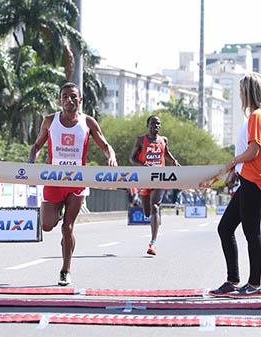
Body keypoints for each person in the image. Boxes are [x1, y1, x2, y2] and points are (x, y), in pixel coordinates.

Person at [29, 82, 118, 286]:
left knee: (68, 228)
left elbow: (106, 146)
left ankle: (65, 270)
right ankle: (58, 213)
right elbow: (36, 146)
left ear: (80, 100)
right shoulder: (50, 121)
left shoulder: (88, 122)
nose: (69, 100)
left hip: (77, 182)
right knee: (47, 225)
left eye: (73, 97)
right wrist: (31, 161)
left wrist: (111, 156)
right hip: (53, 180)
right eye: (65, 96)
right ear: (60, 100)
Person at [209, 72, 261, 299]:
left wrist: (232, 163)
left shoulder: (258, 116)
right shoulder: (259, 115)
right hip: (248, 179)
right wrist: (235, 173)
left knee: (251, 233)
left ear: (248, 91)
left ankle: (255, 285)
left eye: (241, 91)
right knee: (225, 228)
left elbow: (253, 151)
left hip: (255, 182)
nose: (239, 95)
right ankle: (233, 280)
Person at [130, 115, 180, 256]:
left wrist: (174, 161)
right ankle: (155, 218)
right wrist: (143, 164)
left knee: (155, 206)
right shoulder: (141, 140)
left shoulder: (163, 140)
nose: (156, 126)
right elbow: (132, 158)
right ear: (148, 125)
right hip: (145, 178)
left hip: (160, 177)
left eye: (158, 124)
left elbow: (167, 153)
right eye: (153, 124)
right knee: (147, 212)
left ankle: (153, 242)